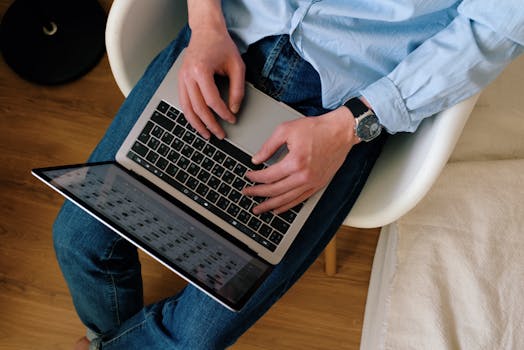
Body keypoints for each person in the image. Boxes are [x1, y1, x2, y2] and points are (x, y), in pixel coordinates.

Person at [52, 1, 524, 349]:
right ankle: (112, 339)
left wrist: (349, 128)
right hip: (224, 40)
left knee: (192, 340)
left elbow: (492, 31)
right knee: (79, 240)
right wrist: (204, 24)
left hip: (342, 109)